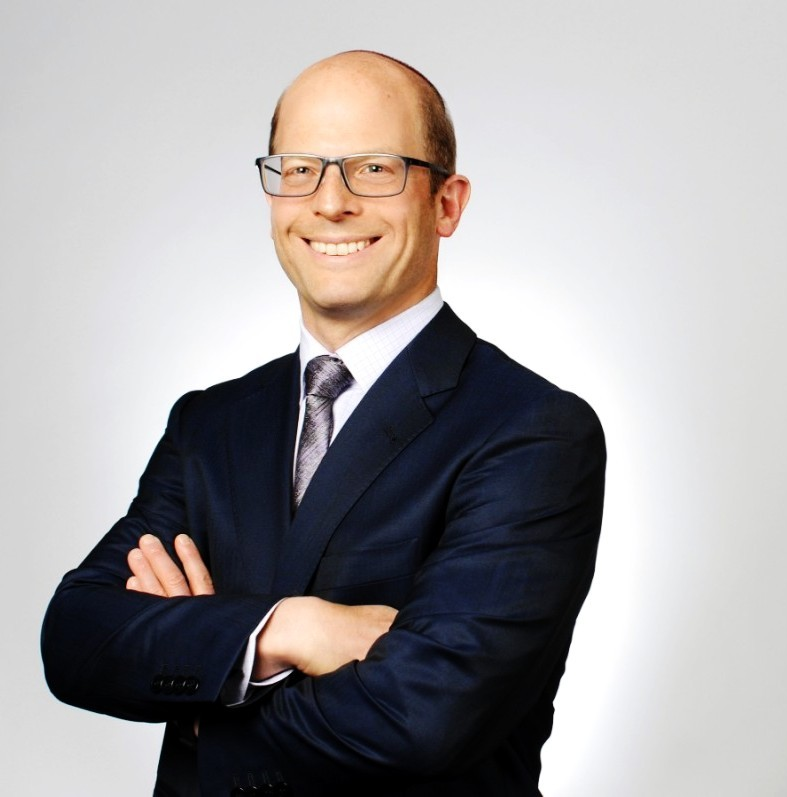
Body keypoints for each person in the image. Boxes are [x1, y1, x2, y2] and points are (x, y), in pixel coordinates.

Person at [41, 50, 606, 796]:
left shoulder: (531, 430)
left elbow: (427, 715)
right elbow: (78, 639)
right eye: (300, 169)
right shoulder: (210, 424)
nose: (330, 203)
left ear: (446, 204)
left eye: (374, 168)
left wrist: (208, 694)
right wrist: (292, 629)